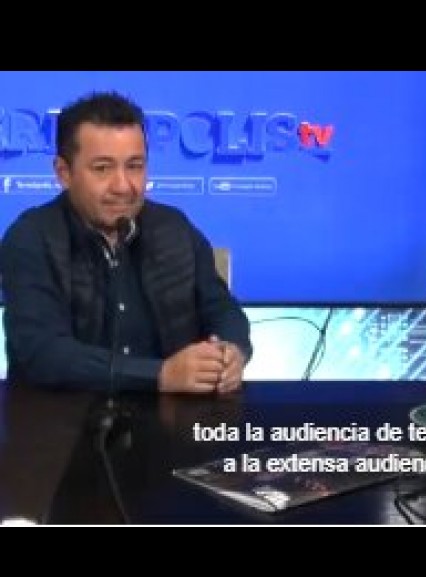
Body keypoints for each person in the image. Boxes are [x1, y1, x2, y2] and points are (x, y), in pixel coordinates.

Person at [0, 91, 252, 395]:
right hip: (64, 417)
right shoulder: (31, 238)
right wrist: (159, 375)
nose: (123, 186)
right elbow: (42, 353)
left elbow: (222, 308)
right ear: (64, 173)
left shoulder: (174, 227)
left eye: (134, 166)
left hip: (173, 416)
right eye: (102, 168)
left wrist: (230, 351)